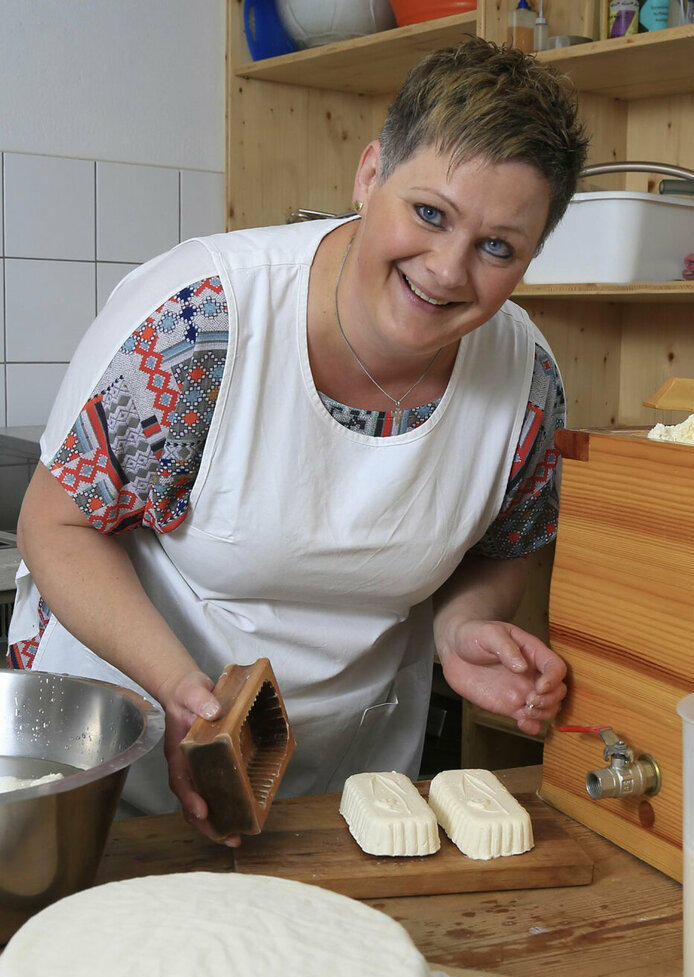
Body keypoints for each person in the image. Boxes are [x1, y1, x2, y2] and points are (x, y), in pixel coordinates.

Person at [6, 38, 588, 844]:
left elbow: (501, 548)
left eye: (498, 248)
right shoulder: (202, 322)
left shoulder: (527, 383)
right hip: (121, 750)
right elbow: (55, 525)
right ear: (370, 174)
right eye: (430, 214)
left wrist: (462, 630)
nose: (449, 272)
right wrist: (183, 695)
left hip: (346, 788)